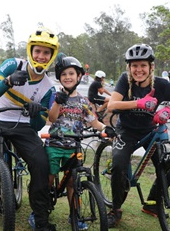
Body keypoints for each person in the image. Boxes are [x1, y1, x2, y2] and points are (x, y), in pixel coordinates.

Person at [0, 28, 59, 231]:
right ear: (30, 50)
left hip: (24, 128)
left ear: (51, 56)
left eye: (46, 53)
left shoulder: (48, 87)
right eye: (38, 51)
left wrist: (36, 113)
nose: (41, 56)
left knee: (41, 164)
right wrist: (8, 81)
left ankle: (40, 218)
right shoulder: (13, 64)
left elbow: (38, 125)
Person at [106, 43, 170, 228]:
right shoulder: (126, 80)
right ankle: (115, 209)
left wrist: (169, 110)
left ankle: (152, 203)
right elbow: (112, 105)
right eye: (134, 66)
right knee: (118, 166)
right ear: (129, 68)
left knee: (168, 170)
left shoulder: (162, 84)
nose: (138, 70)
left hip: (151, 130)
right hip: (127, 131)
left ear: (151, 67)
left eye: (143, 65)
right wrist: (138, 103)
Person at [47, 54, 116, 229]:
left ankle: (74, 215)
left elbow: (93, 120)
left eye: (71, 73)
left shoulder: (83, 102)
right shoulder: (56, 96)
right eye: (63, 74)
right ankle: (41, 210)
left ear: (79, 77)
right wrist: (57, 103)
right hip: (54, 146)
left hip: (74, 147)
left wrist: (104, 129)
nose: (67, 77)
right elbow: (52, 118)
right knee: (47, 179)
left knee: (72, 182)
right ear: (59, 78)